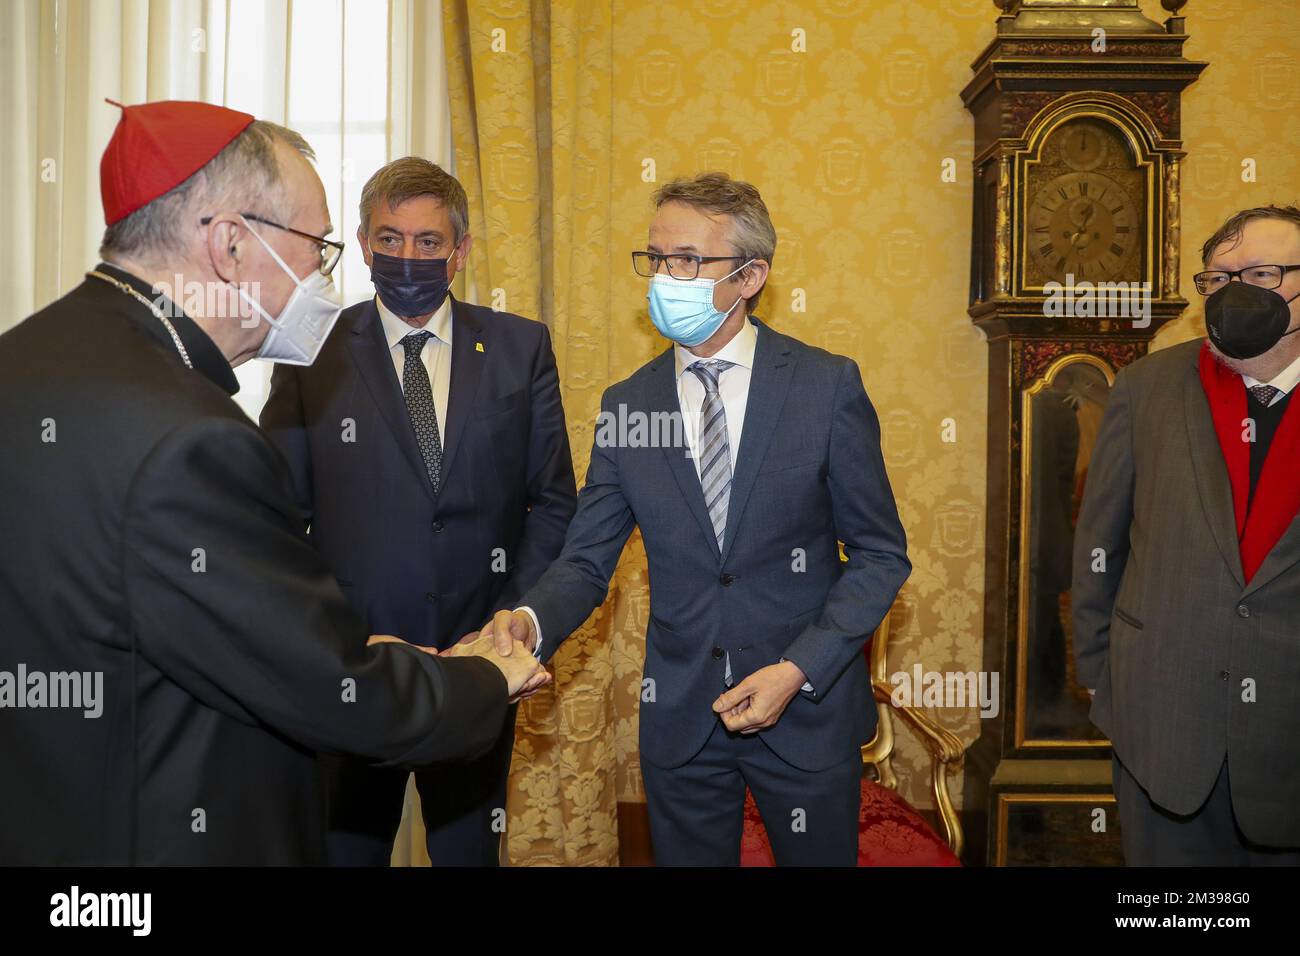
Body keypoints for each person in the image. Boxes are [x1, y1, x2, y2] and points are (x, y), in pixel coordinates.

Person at [0, 100, 544, 865]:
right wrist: (484, 678)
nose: (322, 278)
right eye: (315, 248)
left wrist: (337, 639)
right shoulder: (194, 437)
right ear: (229, 244)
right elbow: (330, 693)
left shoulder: (29, 357)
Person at [474, 172, 910, 865]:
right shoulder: (628, 405)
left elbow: (881, 556)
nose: (663, 278)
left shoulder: (826, 388)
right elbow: (587, 561)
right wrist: (529, 622)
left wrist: (797, 669)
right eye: (655, 258)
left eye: (686, 260)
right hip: (681, 721)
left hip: (804, 713)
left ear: (749, 276)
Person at [261, 156, 575, 866]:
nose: (408, 255)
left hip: (478, 665)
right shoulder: (311, 350)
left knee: (469, 857)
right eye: (390, 238)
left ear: (459, 251)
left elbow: (554, 502)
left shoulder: (521, 348)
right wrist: (333, 637)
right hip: (355, 668)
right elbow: (276, 518)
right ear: (366, 245)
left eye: (429, 241)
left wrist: (512, 626)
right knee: (344, 855)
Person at [1073, 204, 1300, 865]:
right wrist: (1101, 675)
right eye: (1218, 278)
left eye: (1260, 273)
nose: (1237, 292)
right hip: (1163, 728)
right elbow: (1098, 545)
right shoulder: (1147, 388)